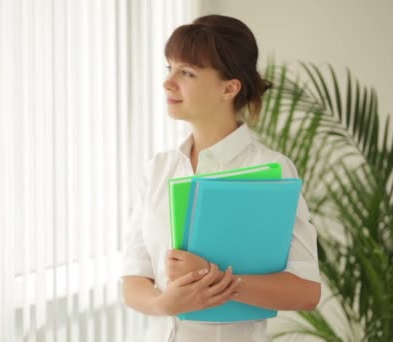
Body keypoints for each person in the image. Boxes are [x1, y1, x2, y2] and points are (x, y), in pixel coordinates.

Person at [121, 14, 321, 342]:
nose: (168, 82)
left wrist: (210, 280)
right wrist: (163, 303)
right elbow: (133, 279)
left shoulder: (271, 171)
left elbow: (305, 291)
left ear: (229, 88)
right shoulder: (158, 169)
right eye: (169, 68)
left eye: (186, 73)